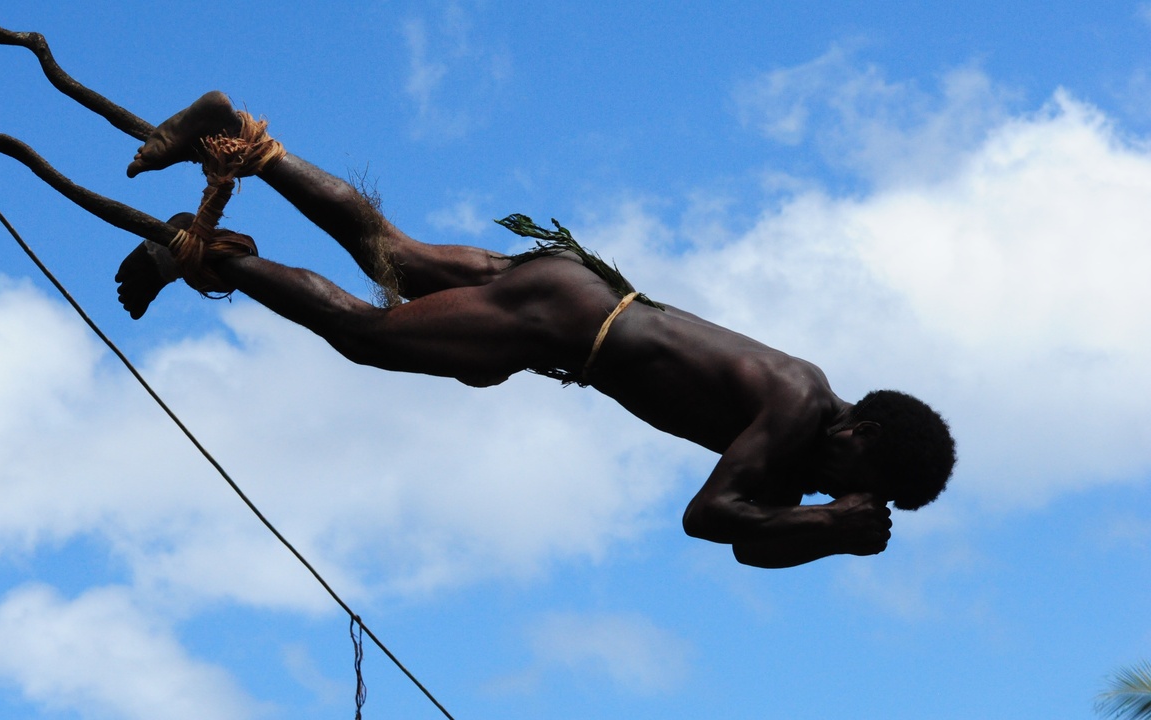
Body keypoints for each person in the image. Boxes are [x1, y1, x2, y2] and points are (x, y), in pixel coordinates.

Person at [116, 92, 956, 569]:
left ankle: (233, 139)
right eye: (864, 479)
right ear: (863, 430)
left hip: (578, 295)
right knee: (369, 334)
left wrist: (825, 533)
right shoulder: (797, 407)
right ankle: (208, 255)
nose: (836, 493)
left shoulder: (800, 441)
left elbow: (748, 546)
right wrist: (835, 530)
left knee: (393, 252)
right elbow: (707, 517)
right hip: (564, 322)